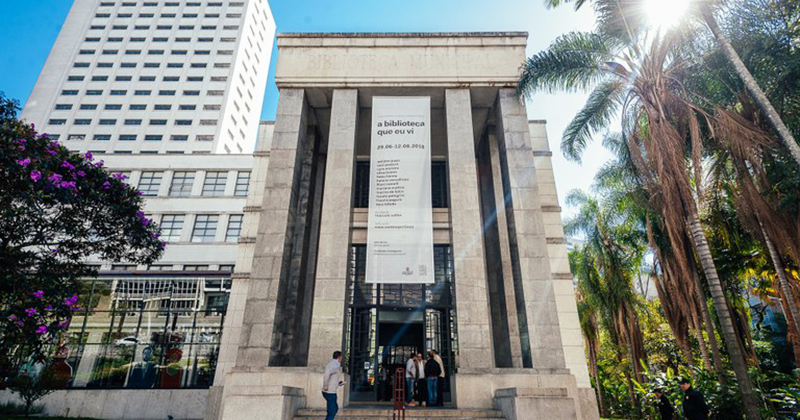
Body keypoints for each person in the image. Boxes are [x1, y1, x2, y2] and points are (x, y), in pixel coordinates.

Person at [322, 351, 344, 420]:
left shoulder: (335, 364)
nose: (342, 358)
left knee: (334, 409)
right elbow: (327, 374)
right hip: (329, 392)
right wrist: (325, 385)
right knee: (332, 411)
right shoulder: (334, 364)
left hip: (331, 391)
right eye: (341, 357)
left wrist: (339, 383)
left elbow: (332, 378)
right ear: (339, 357)